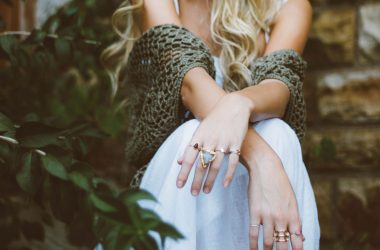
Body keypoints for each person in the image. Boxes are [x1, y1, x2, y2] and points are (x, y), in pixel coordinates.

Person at [100, 0, 320, 249]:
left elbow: (279, 89)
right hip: (180, 181)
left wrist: (238, 104)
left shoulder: (288, 6)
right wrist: (263, 160)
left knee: (278, 133)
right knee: (192, 132)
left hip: (242, 188)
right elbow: (188, 83)